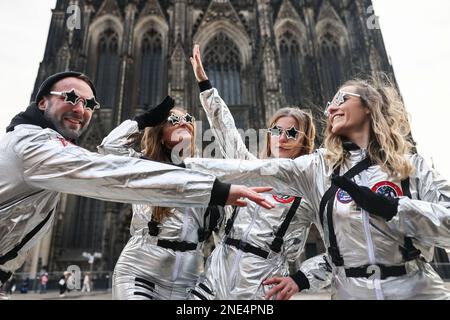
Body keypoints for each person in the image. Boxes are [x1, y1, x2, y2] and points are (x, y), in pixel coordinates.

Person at [184, 75, 450, 299]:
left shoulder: (411, 167)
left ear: (370, 106)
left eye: (341, 99)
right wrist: (176, 167)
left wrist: (395, 209)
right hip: (346, 291)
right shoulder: (318, 170)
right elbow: (244, 165)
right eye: (276, 132)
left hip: (416, 289)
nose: (331, 108)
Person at [0, 71, 273, 289]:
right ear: (42, 102)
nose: (81, 109)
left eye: (89, 103)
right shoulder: (33, 146)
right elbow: (110, 168)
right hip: (140, 273)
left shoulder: (48, 144)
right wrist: (140, 122)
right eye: (71, 97)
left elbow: (230, 234)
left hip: (187, 278)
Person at [186, 44, 330, 300]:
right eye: (276, 131)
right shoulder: (252, 169)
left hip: (261, 288)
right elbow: (225, 130)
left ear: (304, 139)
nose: (282, 137)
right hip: (214, 279)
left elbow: (344, 244)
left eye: (292, 132)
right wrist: (204, 83)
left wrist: (302, 278)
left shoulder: (312, 188)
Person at [98, 98, 250, 300]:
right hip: (140, 273)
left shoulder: (208, 177)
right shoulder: (143, 167)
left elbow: (227, 238)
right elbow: (109, 148)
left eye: (188, 119)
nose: (184, 122)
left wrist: (212, 284)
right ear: (160, 135)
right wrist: (144, 120)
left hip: (188, 282)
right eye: (173, 120)